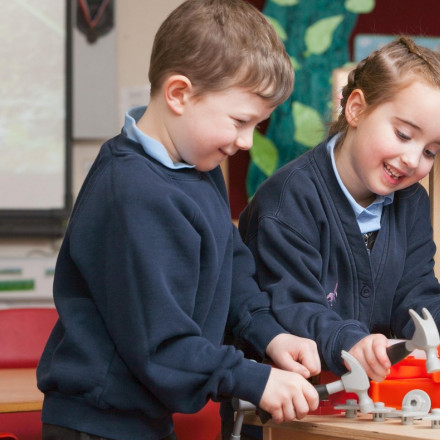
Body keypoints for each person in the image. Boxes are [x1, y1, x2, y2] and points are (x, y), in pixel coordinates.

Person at [36, 1, 320, 439]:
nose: (245, 142)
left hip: (142, 419)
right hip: (98, 425)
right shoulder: (133, 193)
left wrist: (269, 335)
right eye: (240, 121)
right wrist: (250, 378)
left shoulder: (197, 168)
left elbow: (232, 270)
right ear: (179, 94)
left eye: (257, 126)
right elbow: (161, 344)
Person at [238, 36, 440, 388]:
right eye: (403, 134)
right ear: (356, 109)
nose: (412, 160)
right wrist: (352, 342)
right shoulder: (290, 199)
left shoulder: (411, 203)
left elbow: (415, 297)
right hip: (284, 411)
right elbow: (292, 307)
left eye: (431, 151)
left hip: (364, 405)